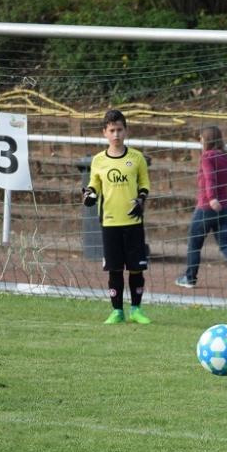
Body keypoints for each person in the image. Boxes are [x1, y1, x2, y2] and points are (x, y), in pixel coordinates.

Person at [83, 109, 152, 325]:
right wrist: (88, 194)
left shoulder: (137, 158)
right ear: (104, 132)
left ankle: (136, 309)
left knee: (136, 267)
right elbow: (93, 184)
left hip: (133, 222)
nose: (116, 134)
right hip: (110, 222)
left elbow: (144, 184)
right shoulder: (98, 160)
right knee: (114, 268)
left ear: (126, 131)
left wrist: (141, 200)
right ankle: (117, 311)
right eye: (112, 130)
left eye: (119, 130)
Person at [175, 126, 227, 292]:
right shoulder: (226, 156)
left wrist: (212, 198)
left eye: (201, 137)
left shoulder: (207, 156)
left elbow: (210, 178)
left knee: (194, 244)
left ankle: (190, 278)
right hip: (226, 208)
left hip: (207, 207)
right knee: (225, 243)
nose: (200, 141)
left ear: (207, 139)